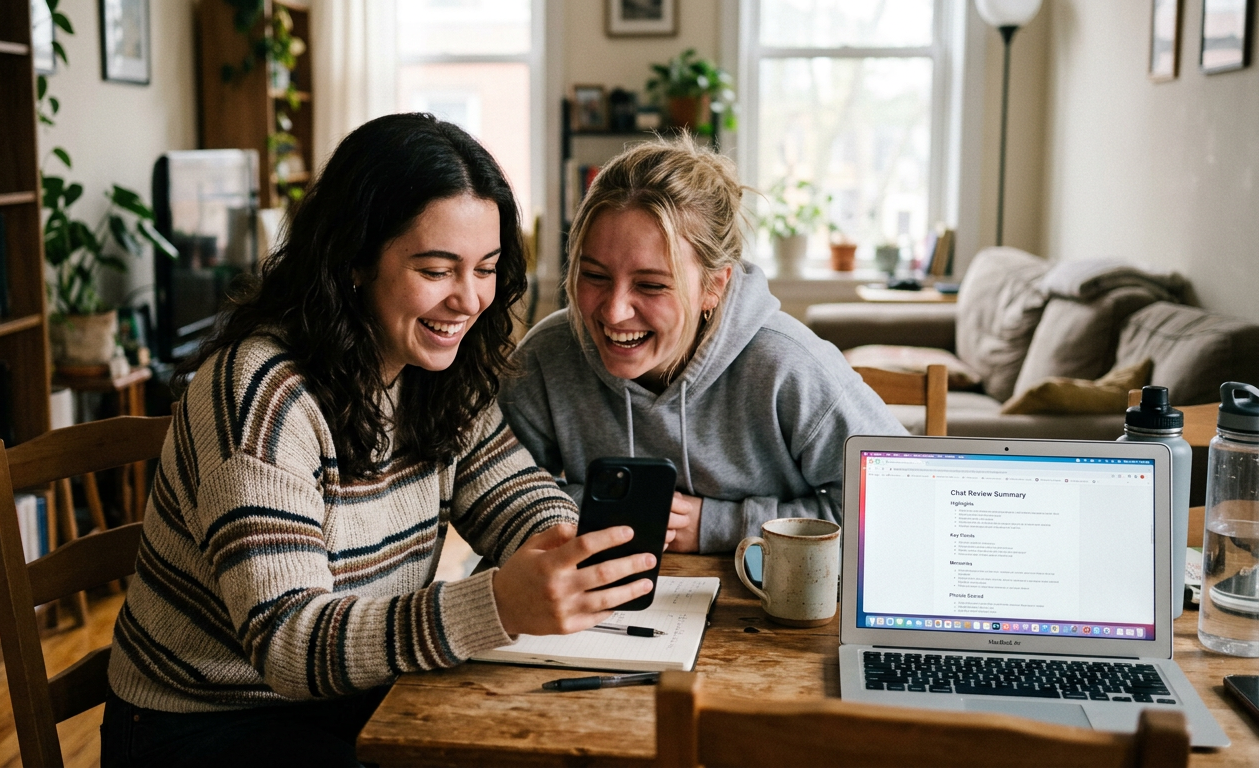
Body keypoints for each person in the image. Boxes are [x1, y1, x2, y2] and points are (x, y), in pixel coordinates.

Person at [101, 114, 656, 768]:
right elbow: (288, 645)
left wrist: (560, 539)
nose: (469, 300)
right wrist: (498, 603)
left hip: (355, 692)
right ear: (356, 261)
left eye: (485, 268)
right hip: (203, 721)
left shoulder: (434, 368)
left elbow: (511, 491)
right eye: (437, 270)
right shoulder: (260, 393)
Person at [498, 136, 906, 555]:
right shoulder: (548, 354)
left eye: (651, 285)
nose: (614, 312)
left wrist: (718, 525)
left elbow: (899, 503)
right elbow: (495, 491)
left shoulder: (789, 364)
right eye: (595, 276)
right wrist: (612, 511)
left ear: (714, 286)